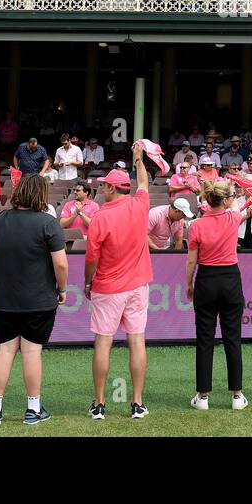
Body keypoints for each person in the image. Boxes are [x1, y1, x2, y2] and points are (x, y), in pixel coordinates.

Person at [0, 174, 68, 426]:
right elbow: (61, 264)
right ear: (41, 194)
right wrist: (62, 289)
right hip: (38, 299)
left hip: (3, 298)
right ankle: (33, 409)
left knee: (5, 348)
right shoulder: (48, 223)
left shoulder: (2, 219)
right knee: (32, 350)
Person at [84, 147, 153, 420]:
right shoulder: (140, 204)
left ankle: (100, 404)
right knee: (137, 341)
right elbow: (145, 182)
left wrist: (87, 282)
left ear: (113, 188)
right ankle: (137, 403)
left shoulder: (100, 217)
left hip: (108, 288)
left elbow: (91, 259)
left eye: (105, 186)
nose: (102, 189)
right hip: (138, 286)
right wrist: (138, 158)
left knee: (103, 343)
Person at [185, 179, 252, 411]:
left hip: (206, 280)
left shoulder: (197, 225)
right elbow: (241, 201)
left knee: (205, 339)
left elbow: (191, 260)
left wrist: (189, 284)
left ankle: (202, 396)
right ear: (225, 200)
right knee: (232, 338)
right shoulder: (232, 217)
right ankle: (237, 395)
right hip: (230, 279)